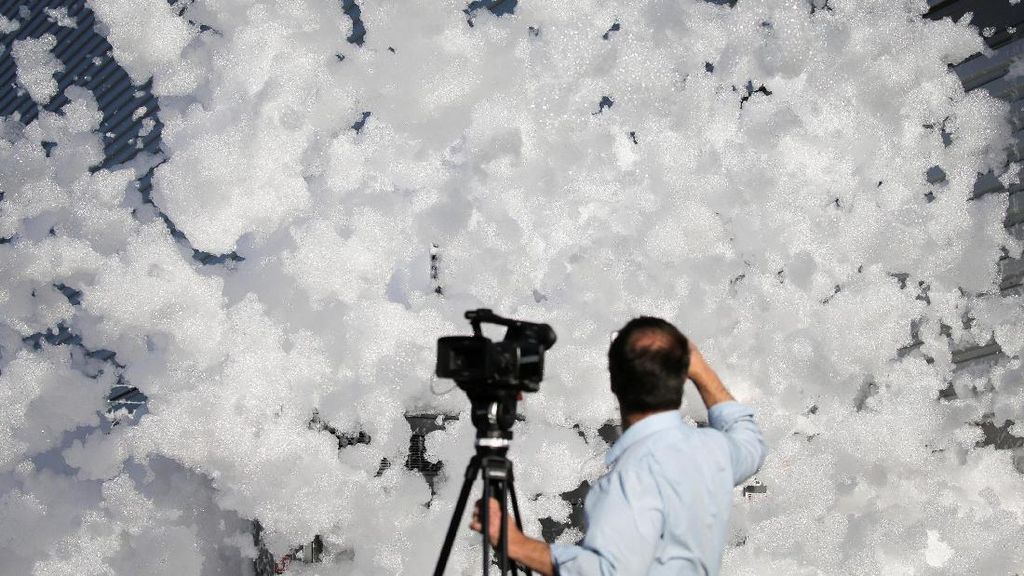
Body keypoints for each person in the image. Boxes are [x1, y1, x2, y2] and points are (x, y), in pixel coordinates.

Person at [470, 316, 768, 575]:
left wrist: (517, 544)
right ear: (682, 378)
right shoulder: (713, 451)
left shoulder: (628, 481)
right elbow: (749, 441)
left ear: (614, 383)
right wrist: (700, 369)